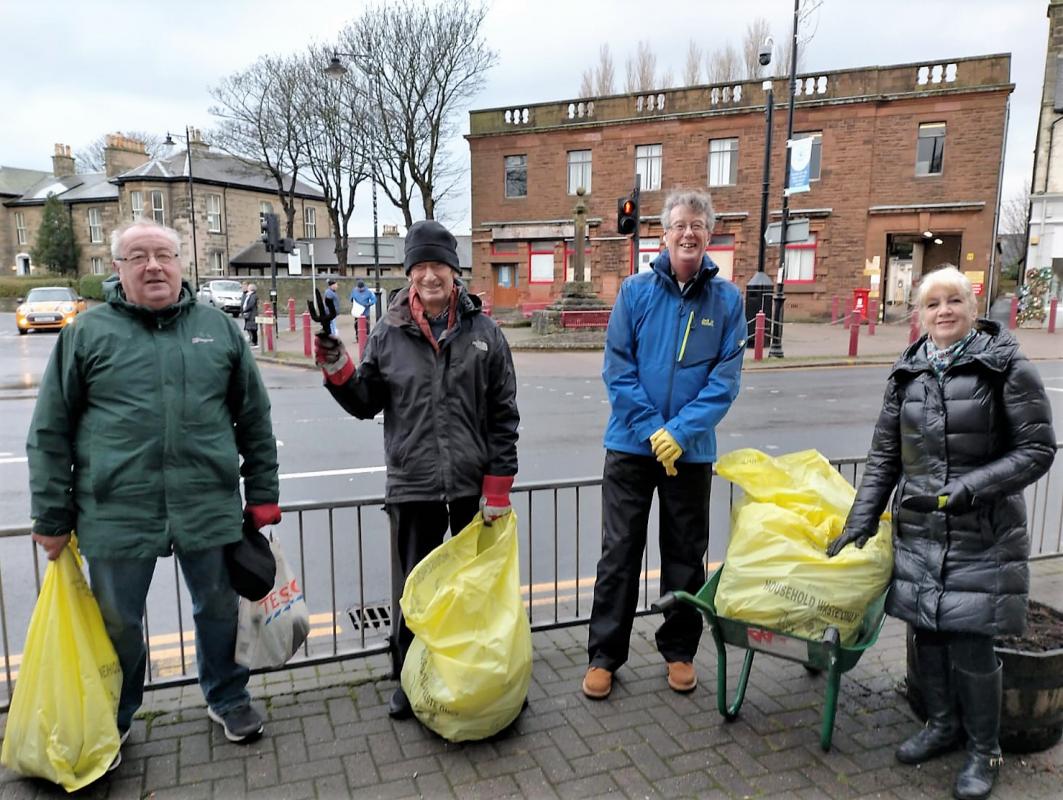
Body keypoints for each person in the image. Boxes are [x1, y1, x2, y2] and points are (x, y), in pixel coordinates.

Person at [26, 219, 281, 768]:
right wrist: (51, 515)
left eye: (163, 254)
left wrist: (262, 491)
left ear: (181, 264)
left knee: (219, 608)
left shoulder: (219, 329)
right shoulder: (87, 334)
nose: (153, 266)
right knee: (117, 622)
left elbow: (254, 418)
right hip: (116, 509)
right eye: (137, 256)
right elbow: (50, 430)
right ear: (117, 269)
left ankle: (228, 696)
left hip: (207, 503)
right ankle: (113, 719)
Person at [827, 266, 1055, 800]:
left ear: (972, 309)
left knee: (972, 644)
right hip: (922, 528)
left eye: (955, 300)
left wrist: (970, 489)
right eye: (933, 304)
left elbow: (1037, 450)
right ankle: (942, 725)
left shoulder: (1005, 368)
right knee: (926, 633)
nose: (944, 311)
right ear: (919, 315)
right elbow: (885, 456)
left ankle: (984, 749)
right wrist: (860, 520)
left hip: (983, 532)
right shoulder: (906, 373)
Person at [314, 219, 519, 720]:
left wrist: (497, 488)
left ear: (454, 271)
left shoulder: (485, 333)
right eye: (421, 266)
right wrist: (335, 360)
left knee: (472, 591)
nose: (430, 275)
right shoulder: (387, 333)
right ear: (411, 273)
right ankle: (408, 676)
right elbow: (366, 401)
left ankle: (476, 673)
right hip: (414, 484)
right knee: (414, 588)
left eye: (439, 266)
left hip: (472, 487)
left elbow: (503, 415)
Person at [583, 189, 746, 701]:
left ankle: (679, 651)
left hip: (690, 454)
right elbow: (618, 369)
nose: (689, 232)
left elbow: (725, 381)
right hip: (631, 447)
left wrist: (678, 434)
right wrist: (653, 428)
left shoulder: (728, 301)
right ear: (664, 234)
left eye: (698, 224)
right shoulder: (634, 293)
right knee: (619, 554)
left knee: (685, 557)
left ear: (709, 234)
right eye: (680, 224)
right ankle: (605, 656)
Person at [242, 282, 259, 347]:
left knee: (253, 328)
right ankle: (251, 340)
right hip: (248, 314)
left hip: (252, 314)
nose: (247, 288)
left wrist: (245, 309)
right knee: (249, 328)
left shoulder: (253, 296)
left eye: (248, 287)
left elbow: (251, 304)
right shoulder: (248, 295)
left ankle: (254, 342)